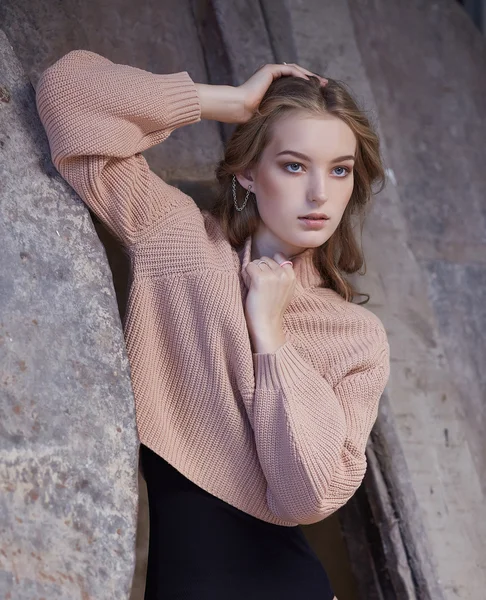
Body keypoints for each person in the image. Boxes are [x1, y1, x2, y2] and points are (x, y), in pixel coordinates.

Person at [36, 50, 390, 600]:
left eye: (339, 170)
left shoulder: (356, 336)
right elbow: (67, 95)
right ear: (248, 172)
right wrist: (224, 101)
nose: (320, 193)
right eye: (294, 165)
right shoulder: (181, 245)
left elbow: (308, 494)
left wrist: (270, 340)